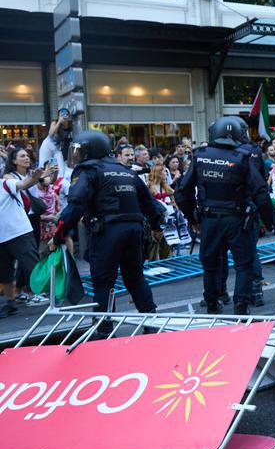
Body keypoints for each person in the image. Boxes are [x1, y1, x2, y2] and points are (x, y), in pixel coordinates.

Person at [51, 132, 163, 333]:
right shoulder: (126, 171)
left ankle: (104, 329)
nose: (77, 155)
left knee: (103, 281)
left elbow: (76, 204)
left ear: (90, 151)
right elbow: (150, 204)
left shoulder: (88, 170)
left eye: (80, 151)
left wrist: (59, 234)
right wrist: (156, 227)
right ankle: (151, 321)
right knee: (135, 277)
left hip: (107, 231)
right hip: (134, 230)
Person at [174, 116, 271, 315]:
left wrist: (193, 218)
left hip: (209, 219)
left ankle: (212, 304)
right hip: (237, 220)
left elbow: (182, 193)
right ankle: (241, 307)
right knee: (243, 265)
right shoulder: (243, 156)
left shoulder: (200, 155)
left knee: (210, 265)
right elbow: (261, 192)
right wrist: (269, 221)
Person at [0, 160, 52, 317]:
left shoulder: (5, 183)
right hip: (2, 238)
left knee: (33, 266)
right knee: (5, 273)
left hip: (20, 233)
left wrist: (34, 178)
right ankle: (11, 303)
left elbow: (23, 184)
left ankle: (53, 296)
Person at [238, 129, 268, 307]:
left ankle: (220, 295)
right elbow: (262, 182)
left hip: (236, 209)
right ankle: (255, 291)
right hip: (250, 207)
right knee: (250, 250)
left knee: (238, 252)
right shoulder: (255, 151)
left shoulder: (234, 152)